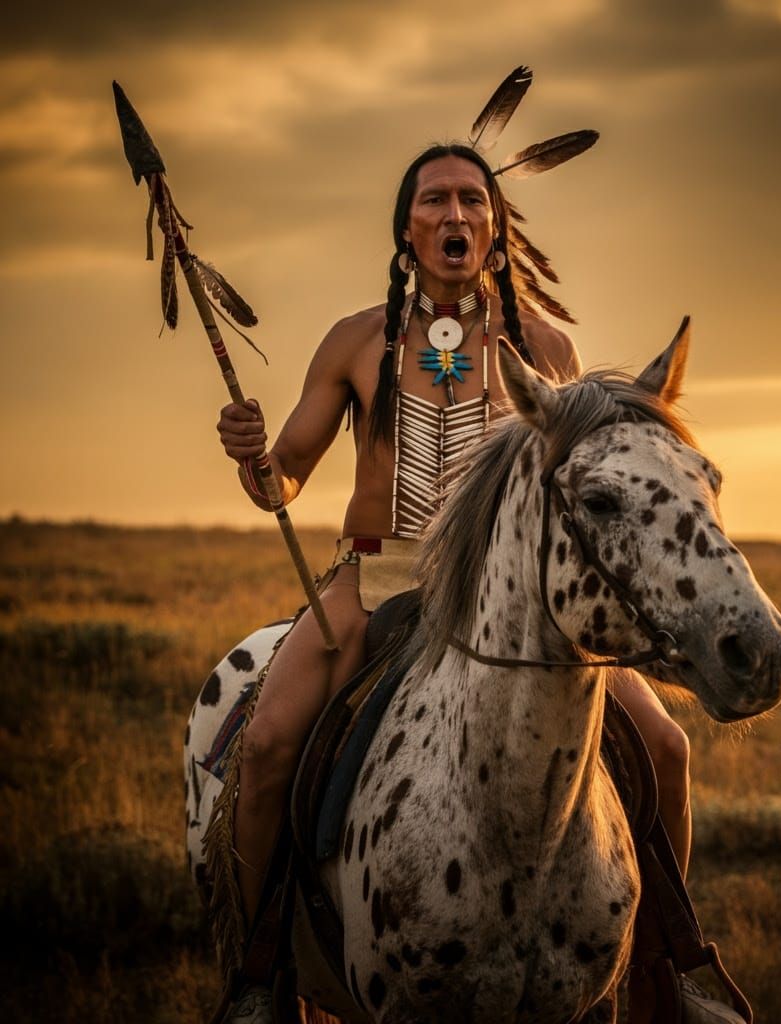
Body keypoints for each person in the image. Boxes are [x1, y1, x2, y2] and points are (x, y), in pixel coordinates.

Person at [215, 143, 693, 1020]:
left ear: (497, 230)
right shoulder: (356, 340)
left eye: (474, 200)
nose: (456, 215)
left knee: (665, 748)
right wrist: (256, 461)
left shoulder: (547, 347)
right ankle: (259, 976)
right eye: (435, 200)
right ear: (407, 229)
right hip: (375, 583)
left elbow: (578, 486)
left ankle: (671, 971)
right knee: (269, 745)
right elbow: (285, 475)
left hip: (519, 600)